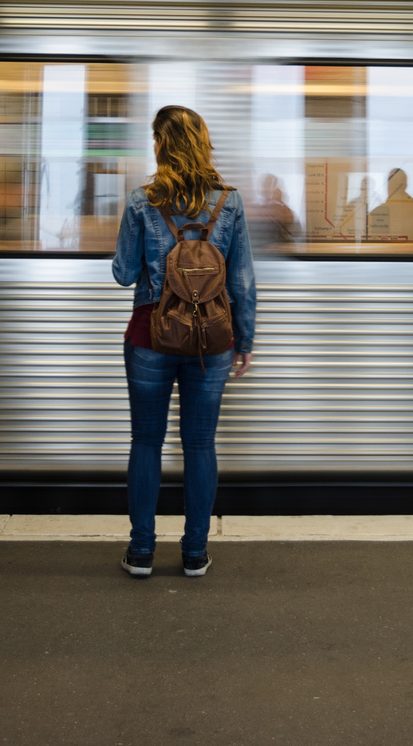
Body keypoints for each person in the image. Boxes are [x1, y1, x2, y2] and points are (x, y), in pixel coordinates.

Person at [111, 105, 256, 579]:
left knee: (146, 441)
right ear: (202, 143)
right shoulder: (228, 202)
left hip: (150, 335)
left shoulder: (140, 200)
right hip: (211, 339)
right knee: (199, 444)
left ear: (161, 144)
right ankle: (195, 552)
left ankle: (141, 552)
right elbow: (242, 283)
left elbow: (123, 274)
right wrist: (245, 340)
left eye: (155, 138)